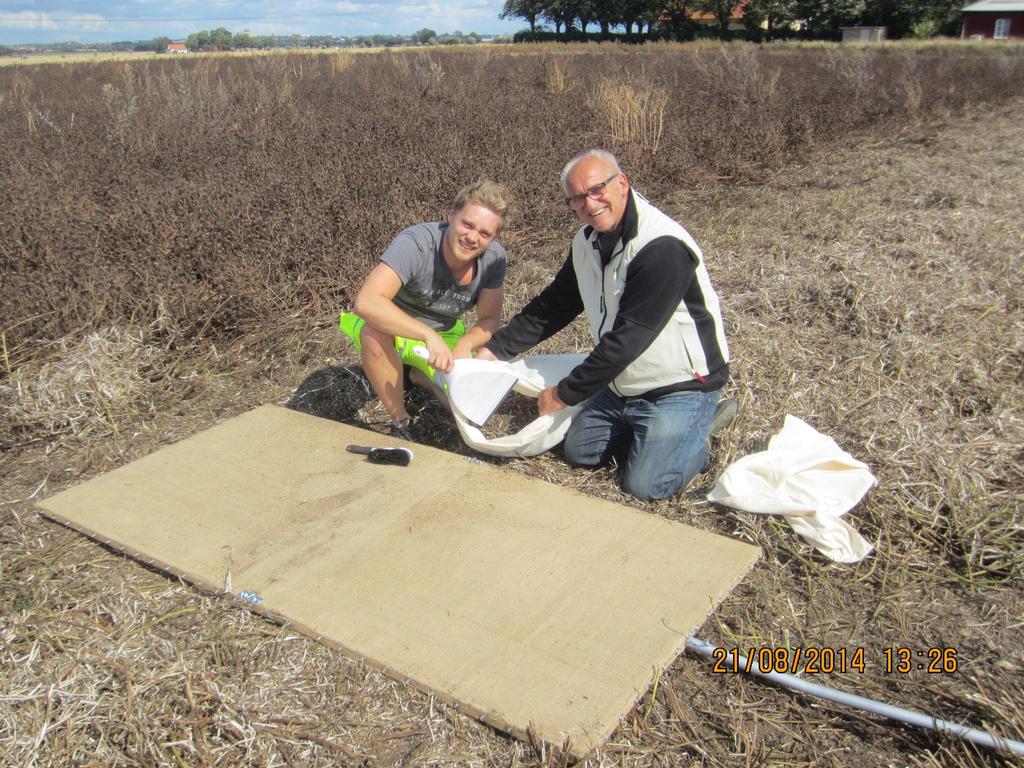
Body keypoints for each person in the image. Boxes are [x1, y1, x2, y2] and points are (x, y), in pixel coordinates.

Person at [476, 150, 734, 500]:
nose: (590, 203)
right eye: (578, 198)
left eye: (597, 189)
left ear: (622, 183)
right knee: (580, 453)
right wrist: (497, 348)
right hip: (623, 382)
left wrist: (563, 394)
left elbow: (628, 339)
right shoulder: (586, 241)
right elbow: (556, 304)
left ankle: (701, 428)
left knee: (647, 487)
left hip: (681, 383)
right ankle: (656, 436)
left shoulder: (662, 247)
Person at [344, 179, 510, 441]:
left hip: (444, 331)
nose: (472, 238)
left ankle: (418, 375)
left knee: (469, 409)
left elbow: (489, 319)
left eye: (484, 233)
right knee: (374, 334)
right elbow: (367, 302)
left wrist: (466, 344)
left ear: (493, 238)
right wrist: (427, 336)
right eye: (467, 224)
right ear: (451, 215)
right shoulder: (417, 243)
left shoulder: (494, 259)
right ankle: (400, 420)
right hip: (392, 325)